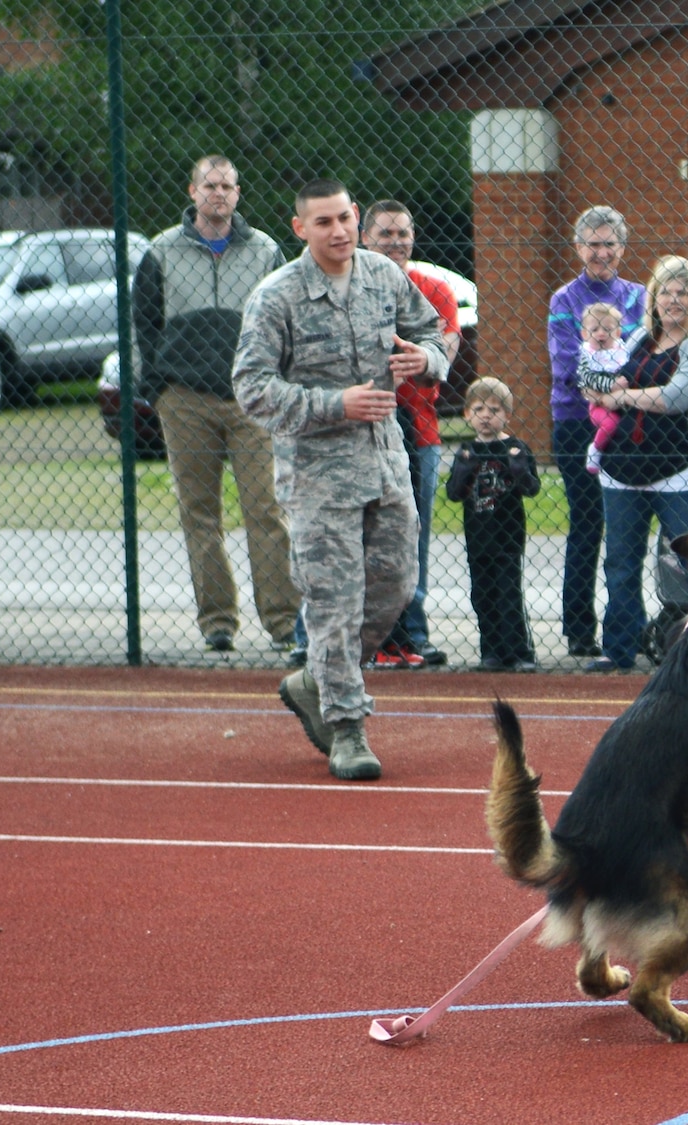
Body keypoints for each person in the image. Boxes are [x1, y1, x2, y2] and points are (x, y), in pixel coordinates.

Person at [234, 179, 449, 781]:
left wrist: (425, 361)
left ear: (356, 217)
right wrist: (334, 404)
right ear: (300, 228)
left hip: (386, 466)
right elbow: (251, 387)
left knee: (397, 585)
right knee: (334, 600)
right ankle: (346, 726)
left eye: (344, 219)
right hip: (317, 477)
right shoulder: (276, 297)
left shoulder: (383, 275)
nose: (337, 231)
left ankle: (316, 681)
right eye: (322, 222)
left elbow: (435, 332)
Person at [131, 154, 300, 657]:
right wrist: (158, 388)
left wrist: (275, 384)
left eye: (227, 185)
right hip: (184, 400)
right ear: (192, 192)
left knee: (265, 510)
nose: (219, 193)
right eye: (210, 185)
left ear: (238, 193)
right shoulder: (162, 251)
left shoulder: (266, 250)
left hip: (251, 398)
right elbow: (144, 324)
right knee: (199, 512)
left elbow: (285, 321)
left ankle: (283, 621)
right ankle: (217, 621)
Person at [585, 255, 688, 673]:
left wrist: (622, 396)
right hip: (621, 471)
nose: (674, 299)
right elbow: (595, 383)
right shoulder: (638, 340)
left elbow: (674, 398)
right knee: (620, 563)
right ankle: (618, 649)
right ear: (654, 298)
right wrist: (609, 390)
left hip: (680, 472)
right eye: (666, 291)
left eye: (683, 292)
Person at [362, 199, 461, 669]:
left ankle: (411, 635)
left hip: (418, 432)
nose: (396, 241)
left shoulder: (434, 290)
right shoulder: (352, 289)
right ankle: (357, 635)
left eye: (403, 232)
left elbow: (442, 352)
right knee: (354, 535)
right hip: (359, 430)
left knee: (411, 534)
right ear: (366, 238)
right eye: (385, 233)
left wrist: (402, 367)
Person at [547, 206, 646, 659]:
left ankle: (632, 628)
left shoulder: (641, 297)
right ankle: (579, 629)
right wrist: (615, 387)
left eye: (609, 244)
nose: (601, 251)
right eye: (592, 243)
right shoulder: (564, 300)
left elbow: (648, 356)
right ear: (578, 247)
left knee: (631, 530)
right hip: (575, 422)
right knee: (587, 525)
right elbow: (569, 366)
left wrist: (622, 391)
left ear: (622, 249)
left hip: (633, 423)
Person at [447, 378, 541, 672]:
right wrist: (464, 468)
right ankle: (492, 651)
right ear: (466, 414)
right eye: (478, 409)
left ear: (507, 415)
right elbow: (453, 493)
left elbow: (532, 487)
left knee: (509, 594)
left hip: (508, 536)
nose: (486, 415)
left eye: (494, 409)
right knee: (483, 594)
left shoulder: (515, 448)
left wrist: (518, 468)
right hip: (478, 537)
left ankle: (519, 651)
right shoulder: (465, 451)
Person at [576, 302, 631, 474]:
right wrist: (611, 385)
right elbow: (588, 378)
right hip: (598, 405)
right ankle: (595, 450)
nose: (601, 333)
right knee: (610, 423)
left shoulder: (622, 352)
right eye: (594, 330)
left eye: (607, 329)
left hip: (624, 402)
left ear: (618, 332)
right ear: (585, 334)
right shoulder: (588, 356)